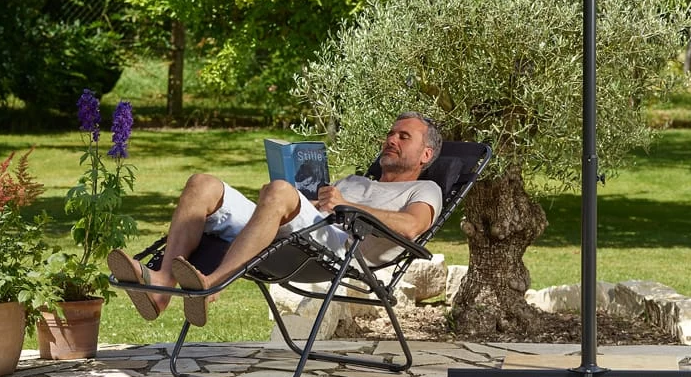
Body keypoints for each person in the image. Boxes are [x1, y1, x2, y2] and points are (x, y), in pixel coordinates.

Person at [107, 112, 443, 326]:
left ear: (425, 155)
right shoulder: (356, 181)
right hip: (299, 231)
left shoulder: (425, 189)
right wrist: (282, 199)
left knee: (281, 191)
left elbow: (412, 226)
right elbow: (311, 208)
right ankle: (162, 286)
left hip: (340, 252)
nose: (391, 139)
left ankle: (210, 285)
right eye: (391, 133)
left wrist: (344, 205)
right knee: (203, 184)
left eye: (404, 137)